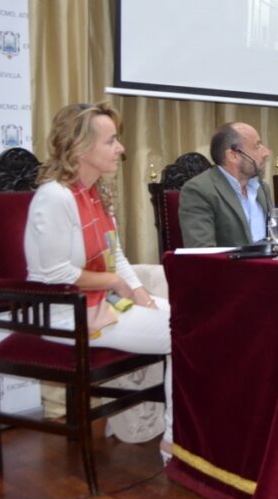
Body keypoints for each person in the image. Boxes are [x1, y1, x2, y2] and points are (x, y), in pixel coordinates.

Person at [23, 102, 174, 462]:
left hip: (101, 304)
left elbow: (116, 255)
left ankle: (179, 433)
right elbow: (54, 273)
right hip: (65, 313)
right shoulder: (55, 197)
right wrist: (118, 285)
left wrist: (140, 293)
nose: (120, 148)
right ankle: (175, 441)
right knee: (187, 332)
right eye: (111, 141)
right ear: (79, 148)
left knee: (191, 318)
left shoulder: (93, 193)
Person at [179, 122, 272, 247]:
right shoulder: (199, 190)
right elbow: (202, 253)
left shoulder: (262, 188)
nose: (266, 153)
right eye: (257, 146)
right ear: (233, 155)